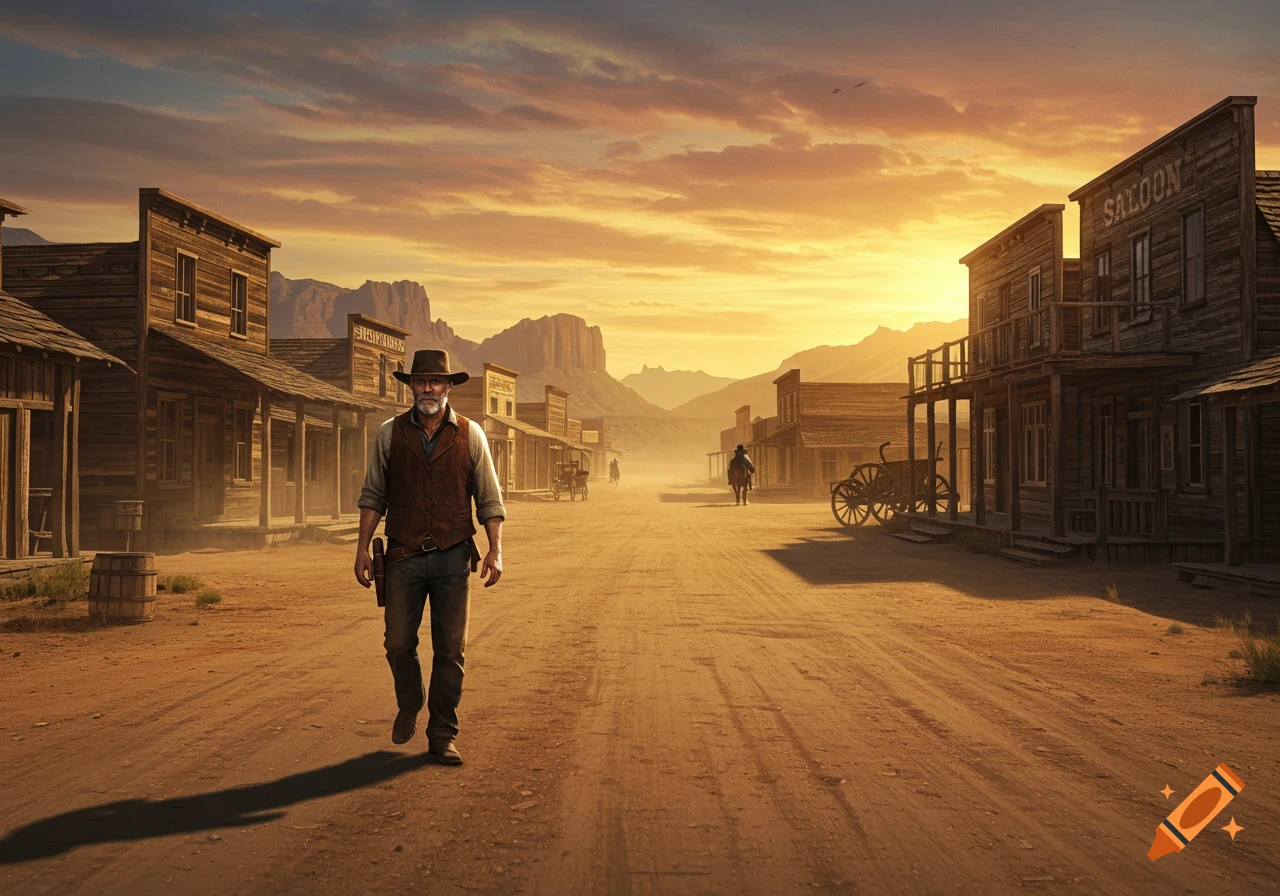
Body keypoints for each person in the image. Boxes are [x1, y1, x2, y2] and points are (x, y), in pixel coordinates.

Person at [354, 349, 505, 767]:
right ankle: (410, 700)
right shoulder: (389, 433)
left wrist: (495, 550)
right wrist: (362, 548)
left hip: (454, 556)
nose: (427, 389)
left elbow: (489, 499)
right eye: (420, 381)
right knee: (398, 643)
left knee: (450, 650)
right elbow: (373, 496)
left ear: (449, 387)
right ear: (411, 387)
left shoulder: (471, 435)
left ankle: (442, 734)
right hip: (401, 556)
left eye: (435, 382)